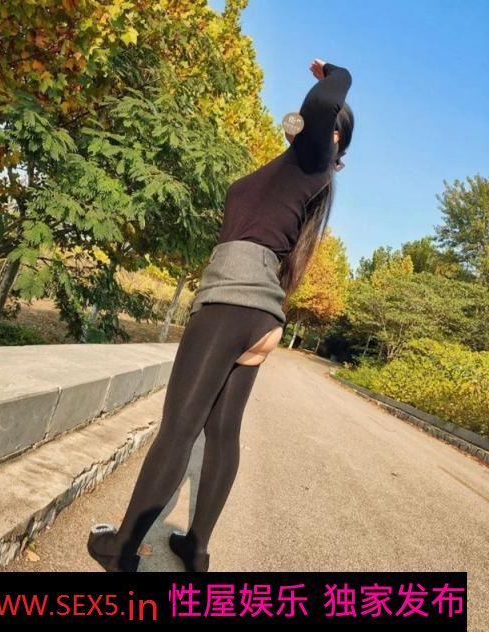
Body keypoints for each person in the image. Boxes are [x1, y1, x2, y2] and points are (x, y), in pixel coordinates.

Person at [87, 58, 354, 572]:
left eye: (325, 124)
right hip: (260, 316)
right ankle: (196, 550)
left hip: (231, 301)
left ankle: (121, 549)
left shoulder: (313, 158)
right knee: (223, 431)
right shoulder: (297, 171)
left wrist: (333, 74)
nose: (307, 118)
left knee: (178, 429)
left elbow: (324, 103)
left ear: (333, 139)